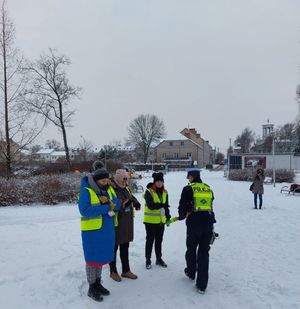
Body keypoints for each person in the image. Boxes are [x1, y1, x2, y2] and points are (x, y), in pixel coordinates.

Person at [78, 162, 121, 302]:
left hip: (106, 230)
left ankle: (98, 283)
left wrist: (114, 205)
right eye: (103, 180)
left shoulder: (107, 189)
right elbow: (84, 210)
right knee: (92, 260)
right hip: (92, 232)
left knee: (101, 258)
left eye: (107, 179)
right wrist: (106, 208)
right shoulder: (86, 191)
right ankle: (92, 287)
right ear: (96, 180)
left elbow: (117, 202)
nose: (106, 181)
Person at [178, 168, 216, 294]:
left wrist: (182, 215)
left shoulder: (188, 188)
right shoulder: (208, 188)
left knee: (191, 248)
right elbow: (210, 203)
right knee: (204, 253)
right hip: (208, 223)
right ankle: (202, 285)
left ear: (191, 176)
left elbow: (182, 205)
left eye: (188, 177)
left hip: (194, 224)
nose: (187, 179)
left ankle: (190, 272)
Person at [109, 169, 141, 282]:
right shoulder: (112, 188)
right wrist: (122, 204)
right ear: (117, 178)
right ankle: (113, 271)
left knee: (125, 247)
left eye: (126, 179)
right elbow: (111, 204)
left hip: (126, 222)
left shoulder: (126, 187)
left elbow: (130, 197)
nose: (124, 182)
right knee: (113, 248)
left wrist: (135, 202)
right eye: (123, 179)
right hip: (116, 223)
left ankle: (126, 270)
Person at [143, 172, 171, 269]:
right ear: (154, 182)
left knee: (159, 241)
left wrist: (168, 216)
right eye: (157, 181)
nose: (159, 183)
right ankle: (148, 260)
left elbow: (166, 205)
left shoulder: (165, 192)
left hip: (160, 221)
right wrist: (161, 205)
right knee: (150, 240)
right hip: (150, 221)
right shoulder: (149, 191)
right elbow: (150, 206)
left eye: (161, 181)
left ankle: (159, 259)